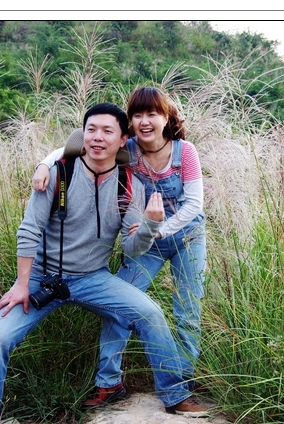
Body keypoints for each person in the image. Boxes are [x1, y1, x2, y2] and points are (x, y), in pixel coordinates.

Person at [0, 102, 208, 424]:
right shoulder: (58, 173)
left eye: (107, 131)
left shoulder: (130, 185)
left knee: (150, 313)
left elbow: (131, 248)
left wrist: (150, 226)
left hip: (93, 278)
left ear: (123, 140)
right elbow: (29, 229)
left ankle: (175, 395)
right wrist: (21, 284)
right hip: (42, 278)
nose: (98, 137)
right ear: (83, 134)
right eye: (92, 130)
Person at [32, 87, 206, 406]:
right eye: (137, 115)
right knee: (120, 308)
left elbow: (194, 204)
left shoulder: (185, 152)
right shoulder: (128, 148)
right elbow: (75, 146)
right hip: (145, 242)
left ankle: (180, 383)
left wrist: (159, 229)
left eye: (152, 114)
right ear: (130, 123)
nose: (144, 121)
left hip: (186, 238)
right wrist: (44, 164)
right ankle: (109, 383)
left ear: (166, 117)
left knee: (188, 312)